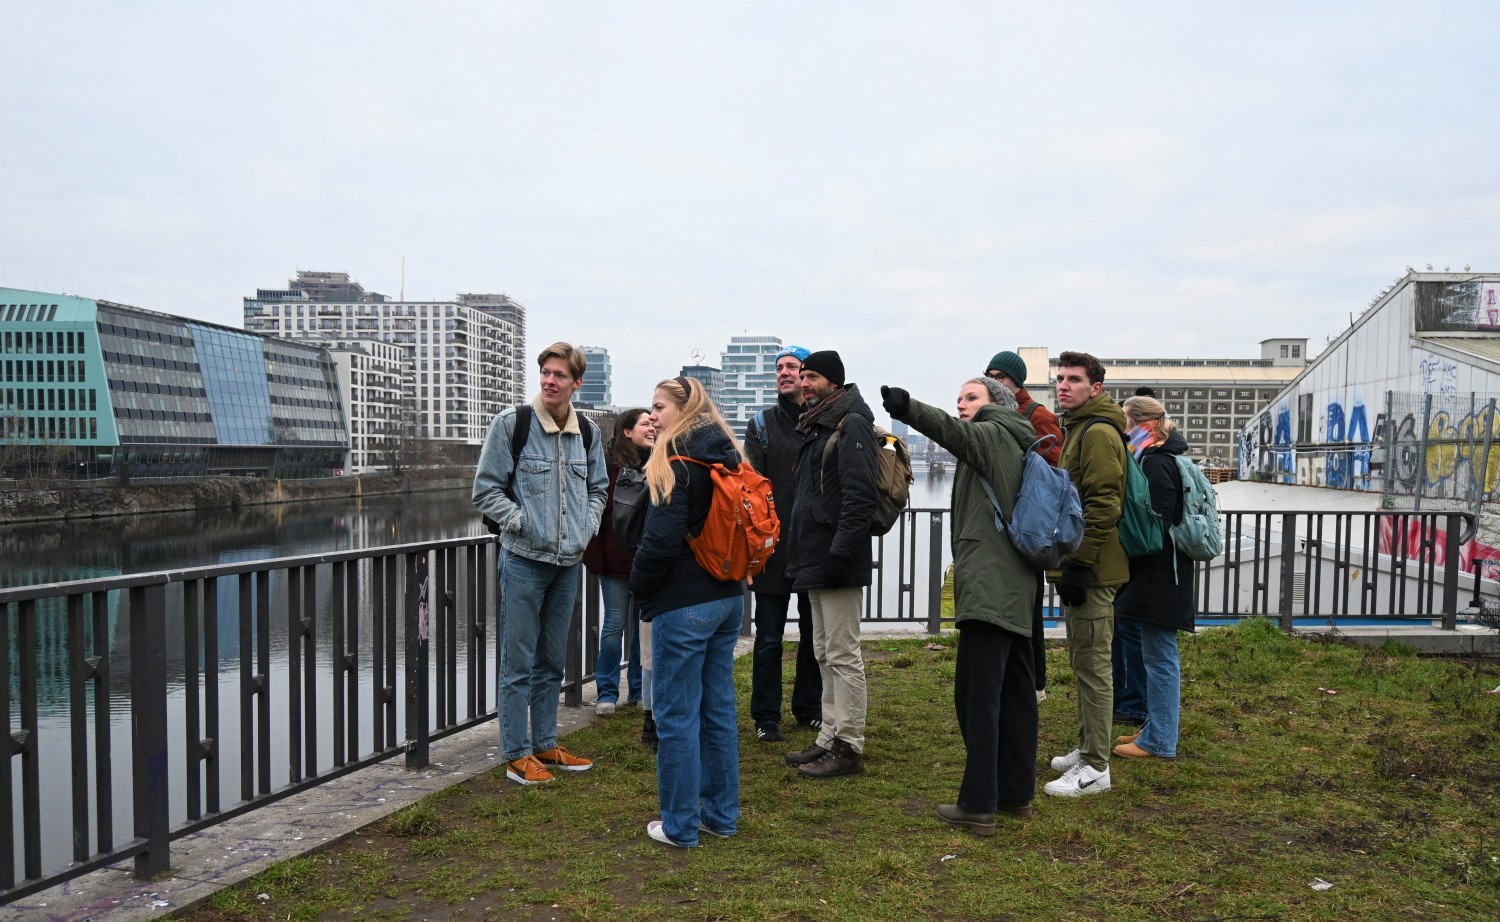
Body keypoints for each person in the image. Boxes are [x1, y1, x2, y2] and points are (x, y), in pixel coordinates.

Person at [881, 377, 1040, 835]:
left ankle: (978, 803)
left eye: (972, 397)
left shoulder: (992, 434)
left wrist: (908, 407)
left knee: (978, 699)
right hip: (1017, 587)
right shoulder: (1019, 442)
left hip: (990, 590)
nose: (961, 403)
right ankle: (1015, 793)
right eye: (960, 397)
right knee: (1014, 697)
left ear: (997, 405)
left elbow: (952, 432)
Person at [472, 342, 608, 786]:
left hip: (568, 564)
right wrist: (520, 523)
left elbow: (598, 491)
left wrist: (585, 529)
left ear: (576, 383)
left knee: (551, 660)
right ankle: (516, 753)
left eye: (560, 375)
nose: (550, 381)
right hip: (524, 561)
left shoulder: (587, 432)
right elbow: (486, 490)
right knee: (517, 663)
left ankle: (546, 743)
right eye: (545, 373)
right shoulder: (512, 425)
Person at [630, 376, 747, 847]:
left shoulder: (674, 460)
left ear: (684, 409)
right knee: (717, 711)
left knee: (676, 717)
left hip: (684, 604)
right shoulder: (725, 456)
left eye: (659, 407)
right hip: (728, 597)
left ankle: (679, 827)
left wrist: (639, 588)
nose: (652, 415)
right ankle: (721, 817)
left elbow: (659, 542)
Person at [782, 350, 877, 779]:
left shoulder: (850, 423)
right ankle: (828, 736)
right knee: (823, 651)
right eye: (802, 374)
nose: (804, 381)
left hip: (837, 556)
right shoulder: (817, 424)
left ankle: (850, 744)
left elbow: (860, 497)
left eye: (813, 375)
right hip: (817, 555)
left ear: (834, 382)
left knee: (842, 652)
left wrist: (841, 552)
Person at [1045, 350, 1129, 798]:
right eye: (1060, 378)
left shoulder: (1096, 432)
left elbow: (1103, 503)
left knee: (1094, 667)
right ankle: (1088, 747)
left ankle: (1096, 767)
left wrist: (1079, 563)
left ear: (1095, 388)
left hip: (1093, 568)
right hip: (1085, 565)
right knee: (1082, 662)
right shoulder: (1081, 426)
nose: (1063, 386)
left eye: (1074, 380)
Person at [744, 345, 823, 743]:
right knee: (768, 638)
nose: (784, 373)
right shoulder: (762, 425)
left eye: (793, 367)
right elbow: (751, 488)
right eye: (779, 368)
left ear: (808, 376)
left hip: (812, 549)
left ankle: (808, 709)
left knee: (813, 636)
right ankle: (766, 717)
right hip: (772, 552)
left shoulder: (822, 421)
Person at [1113, 395, 1194, 761]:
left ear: (1143, 425)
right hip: (1161, 572)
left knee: (1160, 658)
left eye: (1126, 423)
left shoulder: (1156, 463)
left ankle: (1161, 740)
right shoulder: (1158, 457)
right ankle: (1155, 727)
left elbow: (1156, 523)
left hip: (1160, 574)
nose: (1123, 431)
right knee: (1155, 655)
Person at [985, 349, 1062, 701]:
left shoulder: (1038, 415)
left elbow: (1055, 468)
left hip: (1029, 523)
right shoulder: (993, 415)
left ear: (1016, 381)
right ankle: (1016, 679)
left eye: (1000, 376)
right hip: (1005, 522)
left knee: (1030, 608)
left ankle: (1036, 681)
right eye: (990, 376)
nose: (994, 381)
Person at [581, 409, 653, 716]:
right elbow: (597, 510)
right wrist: (594, 554)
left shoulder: (657, 462)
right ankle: (607, 693)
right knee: (613, 626)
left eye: (653, 421)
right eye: (645, 423)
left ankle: (637, 691)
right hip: (615, 559)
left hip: (646, 559)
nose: (652, 427)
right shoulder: (608, 465)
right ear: (627, 431)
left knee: (642, 627)